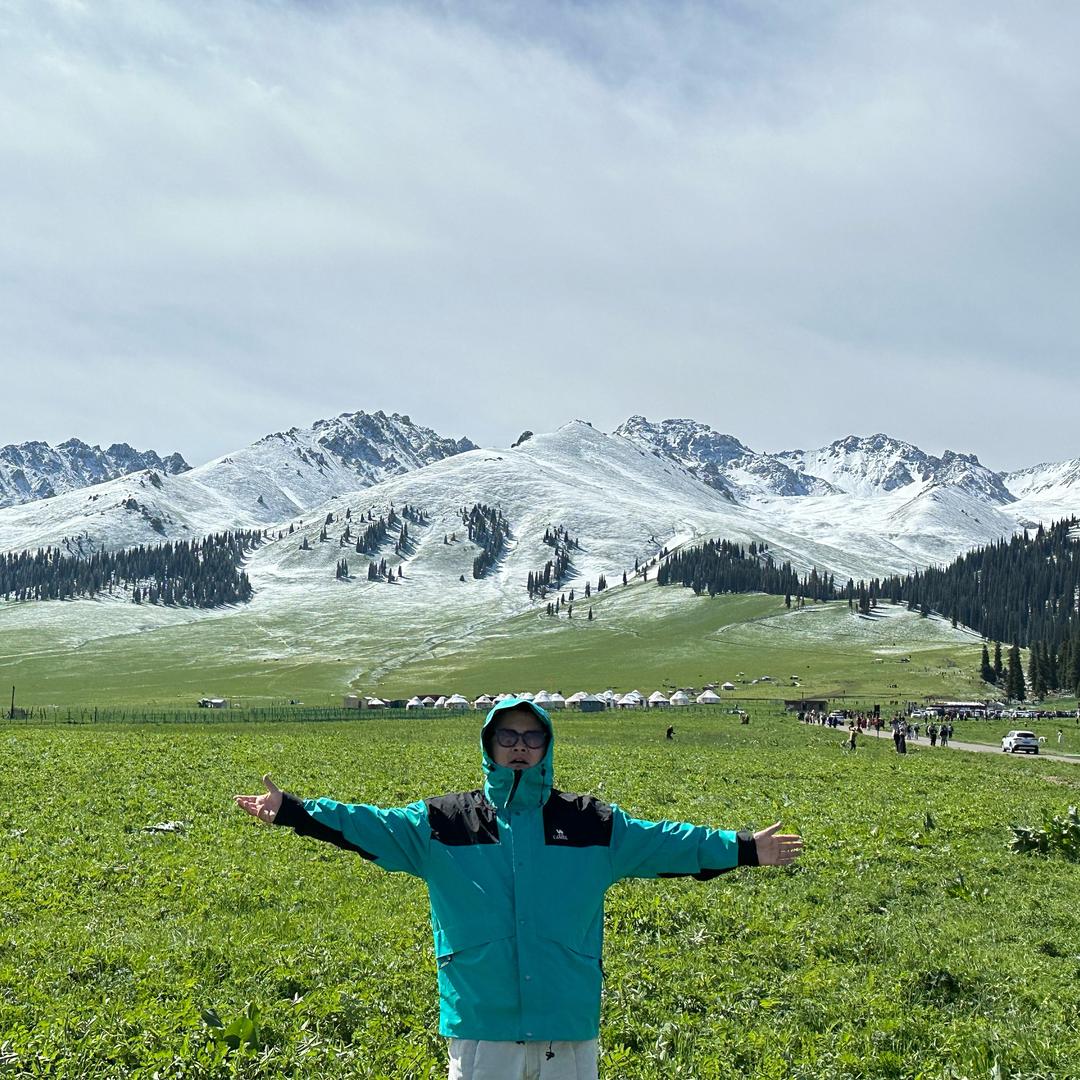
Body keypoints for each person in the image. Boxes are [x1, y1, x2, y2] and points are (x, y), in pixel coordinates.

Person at [234, 697, 803, 1080]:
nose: (520, 747)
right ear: (489, 744)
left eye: (533, 737)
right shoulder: (442, 823)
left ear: (548, 746)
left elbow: (670, 842)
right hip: (484, 1022)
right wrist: (296, 812)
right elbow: (368, 825)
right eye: (508, 736)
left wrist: (746, 848)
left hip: (566, 1023)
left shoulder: (592, 824)